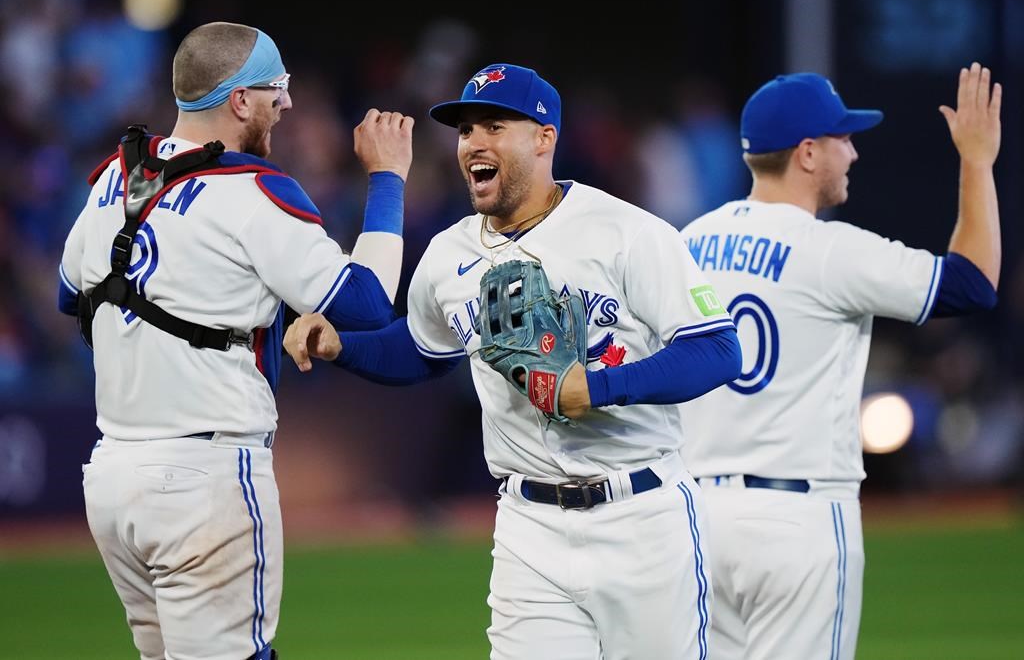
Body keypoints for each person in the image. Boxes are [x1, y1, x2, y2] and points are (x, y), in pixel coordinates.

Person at [283, 63, 742, 659]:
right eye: (465, 130)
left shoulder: (629, 232)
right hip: (529, 526)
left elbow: (715, 349)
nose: (473, 142)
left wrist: (597, 389)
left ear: (545, 138)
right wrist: (342, 346)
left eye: (494, 126)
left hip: (642, 515)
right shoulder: (449, 254)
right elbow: (421, 351)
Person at [57, 22, 413, 660]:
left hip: (113, 478)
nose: (289, 103)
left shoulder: (117, 177)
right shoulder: (252, 191)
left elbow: (72, 294)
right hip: (205, 477)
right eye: (278, 89)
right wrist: (387, 178)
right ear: (240, 100)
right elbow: (366, 305)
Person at [679, 64, 1002, 660]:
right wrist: (978, 162)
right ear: (806, 153)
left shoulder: (688, 242)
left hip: (694, 521)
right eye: (842, 139)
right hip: (796, 519)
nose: (852, 153)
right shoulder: (829, 250)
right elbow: (973, 284)